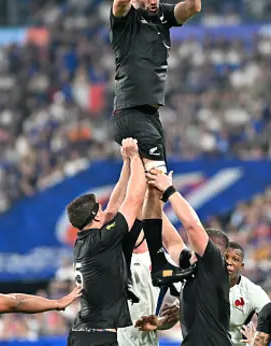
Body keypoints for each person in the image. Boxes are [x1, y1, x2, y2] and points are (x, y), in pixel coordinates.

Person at [109, 0, 200, 176]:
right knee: (159, 179)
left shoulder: (162, 16)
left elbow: (192, 8)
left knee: (148, 182)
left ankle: (131, 216)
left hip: (150, 114)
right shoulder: (126, 20)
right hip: (130, 112)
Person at [67, 138, 147, 346]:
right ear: (95, 218)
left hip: (81, 334)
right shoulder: (101, 242)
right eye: (99, 209)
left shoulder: (85, 241)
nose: (105, 210)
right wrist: (136, 157)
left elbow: (112, 209)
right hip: (99, 337)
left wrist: (127, 164)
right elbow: (134, 200)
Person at [143, 168, 232, 346]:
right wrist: (155, 197)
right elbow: (170, 242)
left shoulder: (214, 263)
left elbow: (192, 225)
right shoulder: (192, 264)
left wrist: (169, 190)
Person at [117, 212, 185, 346]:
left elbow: (174, 244)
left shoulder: (164, 263)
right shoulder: (114, 260)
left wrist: (162, 322)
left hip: (148, 342)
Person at [226, 242, 271, 346]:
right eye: (226, 257)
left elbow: (270, 322)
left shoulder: (253, 292)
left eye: (235, 259)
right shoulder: (206, 285)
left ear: (242, 266)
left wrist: (257, 343)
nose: (229, 262)